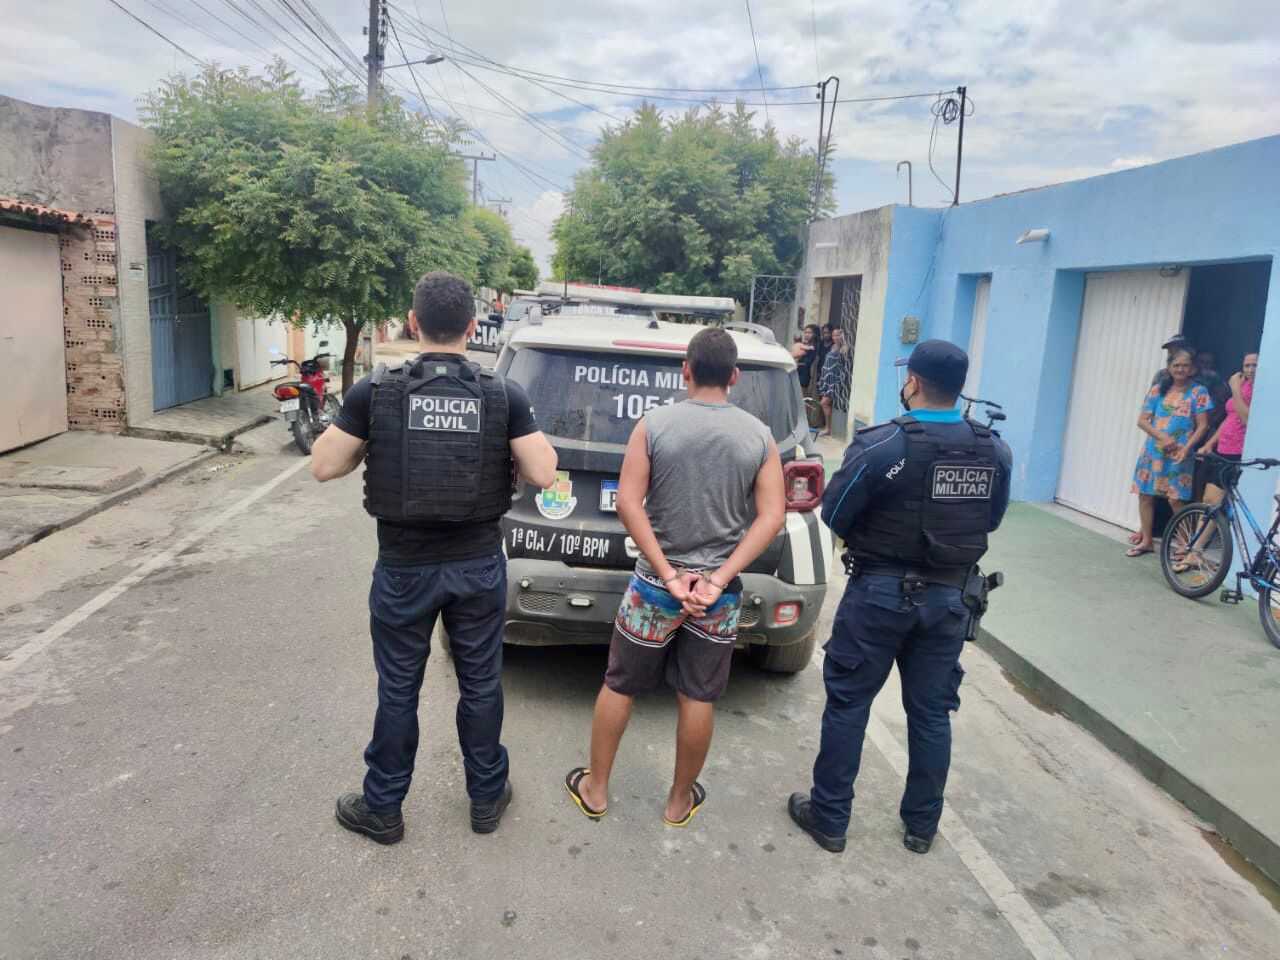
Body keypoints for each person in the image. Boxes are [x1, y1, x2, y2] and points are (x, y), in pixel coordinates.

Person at [310, 272, 558, 845]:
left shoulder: (377, 391)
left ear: (413, 322)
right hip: (477, 566)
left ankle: (383, 808)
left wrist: (374, 439)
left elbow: (324, 465)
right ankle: (486, 797)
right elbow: (544, 473)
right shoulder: (503, 394)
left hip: (404, 568)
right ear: (472, 326)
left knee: (399, 689)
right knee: (481, 685)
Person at [787, 339, 1012, 856]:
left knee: (849, 704)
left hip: (880, 594)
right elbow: (992, 518)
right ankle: (921, 828)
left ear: (912, 382)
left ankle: (830, 819)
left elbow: (835, 513)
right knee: (931, 714)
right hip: (951, 598)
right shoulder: (993, 449)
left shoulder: (883, 444)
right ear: (959, 388)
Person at [564, 328, 785, 827]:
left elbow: (628, 503)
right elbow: (772, 516)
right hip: (716, 597)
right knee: (698, 694)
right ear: (734, 377)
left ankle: (596, 790)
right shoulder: (759, 436)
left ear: (686, 370)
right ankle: (678, 802)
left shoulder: (653, 425)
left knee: (620, 684)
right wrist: (718, 578)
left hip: (654, 589)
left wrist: (667, 574)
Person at [1127, 347, 1213, 558]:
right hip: (1153, 452)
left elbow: (1203, 425)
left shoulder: (1199, 392)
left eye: (1185, 365)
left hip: (1180, 454)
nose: (1180, 369)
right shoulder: (1158, 389)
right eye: (1176, 365)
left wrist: (1187, 448)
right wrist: (1162, 437)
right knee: (1145, 495)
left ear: (1192, 369)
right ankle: (1147, 541)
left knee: (1176, 499)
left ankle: (1184, 544)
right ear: (1169, 367)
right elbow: (1142, 421)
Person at [1199, 351, 1258, 505]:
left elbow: (1246, 420)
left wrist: (1235, 389)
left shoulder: (1258, 389)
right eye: (1247, 366)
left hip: (1238, 451)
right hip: (1224, 449)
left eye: (1255, 365)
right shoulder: (1244, 384)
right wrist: (1210, 443)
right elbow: (1230, 417)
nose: (1250, 370)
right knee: (1209, 500)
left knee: (1214, 501)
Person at [818, 326, 852, 437]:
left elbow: (844, 362)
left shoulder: (844, 348)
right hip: (827, 379)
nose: (835, 337)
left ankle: (828, 428)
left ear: (842, 335)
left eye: (838, 335)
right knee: (827, 404)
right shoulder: (833, 346)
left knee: (824, 403)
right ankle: (828, 428)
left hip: (835, 380)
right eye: (833, 335)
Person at [793, 323, 821, 395]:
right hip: (796, 373)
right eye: (805, 332)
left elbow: (809, 362)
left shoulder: (816, 347)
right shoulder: (802, 345)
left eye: (809, 333)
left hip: (806, 376)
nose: (806, 335)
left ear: (815, 334)